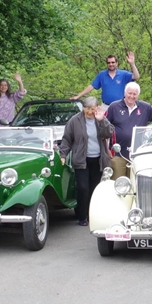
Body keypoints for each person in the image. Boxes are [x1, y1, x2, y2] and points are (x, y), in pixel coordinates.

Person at [58, 97, 113, 226]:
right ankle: (81, 216)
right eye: (87, 109)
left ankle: (91, 215)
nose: (90, 112)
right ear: (83, 108)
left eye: (92, 109)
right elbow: (67, 139)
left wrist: (102, 120)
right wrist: (63, 154)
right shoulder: (74, 120)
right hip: (81, 160)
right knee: (83, 188)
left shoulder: (100, 118)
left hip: (98, 159)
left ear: (96, 108)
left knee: (94, 189)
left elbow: (109, 133)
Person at [106, 83, 152, 179]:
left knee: (135, 186)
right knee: (117, 184)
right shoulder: (114, 107)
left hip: (137, 155)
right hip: (118, 154)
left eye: (134, 94)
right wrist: (106, 150)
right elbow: (104, 127)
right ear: (125, 93)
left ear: (138, 95)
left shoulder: (145, 107)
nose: (132, 96)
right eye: (130, 93)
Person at [72, 52, 140, 107]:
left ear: (116, 63)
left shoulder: (123, 74)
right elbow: (91, 86)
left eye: (113, 62)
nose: (111, 64)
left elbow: (136, 76)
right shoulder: (102, 75)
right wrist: (78, 96)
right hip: (105, 106)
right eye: (109, 63)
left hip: (120, 106)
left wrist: (132, 64)